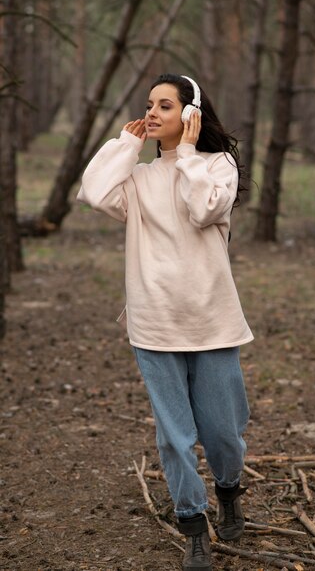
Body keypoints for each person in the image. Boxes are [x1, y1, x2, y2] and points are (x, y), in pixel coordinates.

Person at [77, 73, 253, 571]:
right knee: (174, 436)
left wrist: (191, 155)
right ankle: (193, 524)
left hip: (212, 320)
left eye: (165, 106)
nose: (152, 112)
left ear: (191, 116)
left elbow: (204, 209)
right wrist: (126, 143)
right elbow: (93, 191)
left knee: (223, 433)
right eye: (149, 104)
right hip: (154, 324)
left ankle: (228, 491)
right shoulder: (138, 179)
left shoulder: (218, 166)